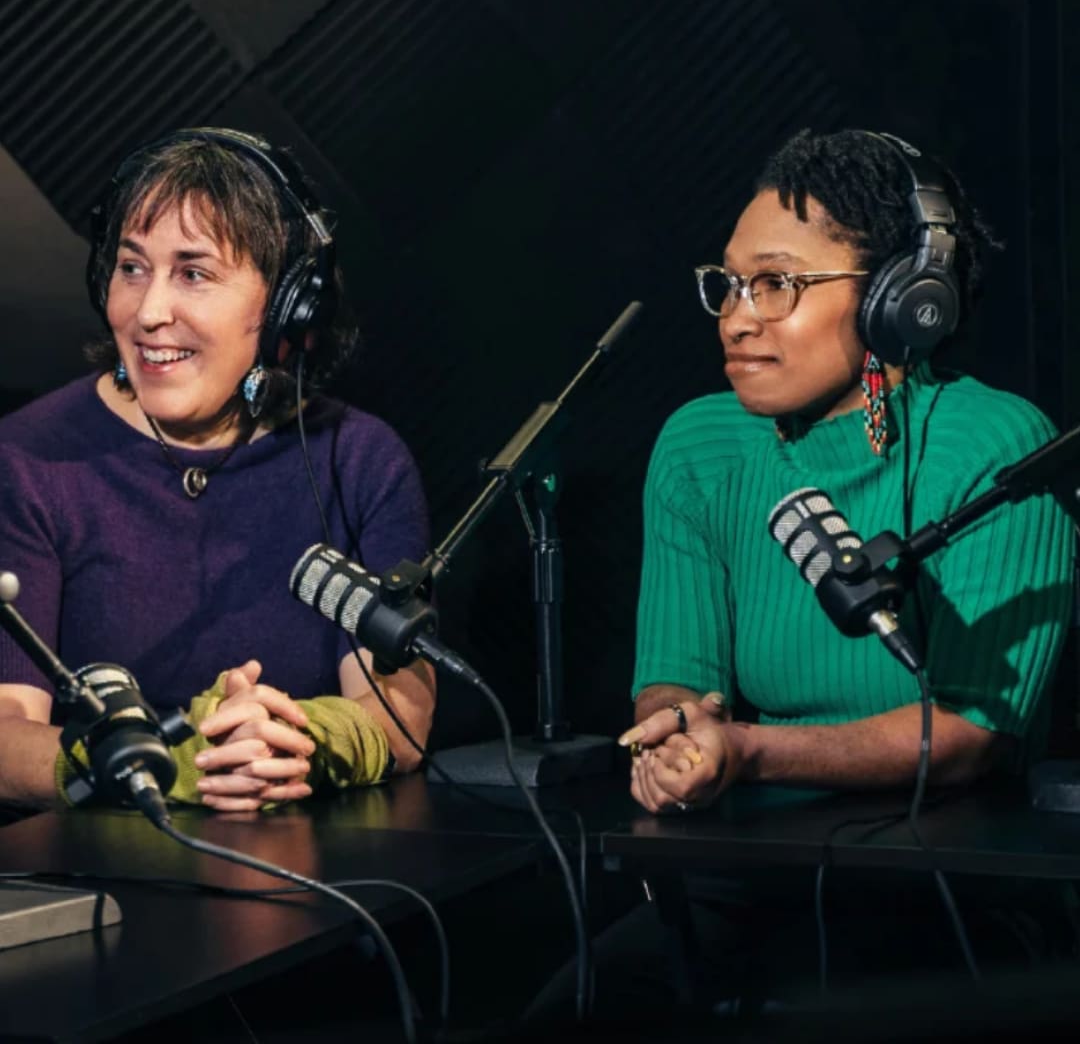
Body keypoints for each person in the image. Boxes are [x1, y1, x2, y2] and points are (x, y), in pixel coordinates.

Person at [529, 128, 1074, 1028]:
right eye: (729, 285)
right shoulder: (701, 446)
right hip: (745, 871)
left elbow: (972, 733)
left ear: (902, 298)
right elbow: (675, 674)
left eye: (777, 284)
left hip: (949, 888)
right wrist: (676, 734)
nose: (737, 317)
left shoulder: (997, 446)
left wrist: (750, 751)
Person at [0, 128, 435, 815]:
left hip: (320, 883)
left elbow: (401, 715)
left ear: (289, 305)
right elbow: (3, 733)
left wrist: (300, 741)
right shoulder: (27, 459)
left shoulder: (361, 459)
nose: (147, 312)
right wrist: (166, 767)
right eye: (132, 267)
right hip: (95, 885)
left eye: (194, 273)